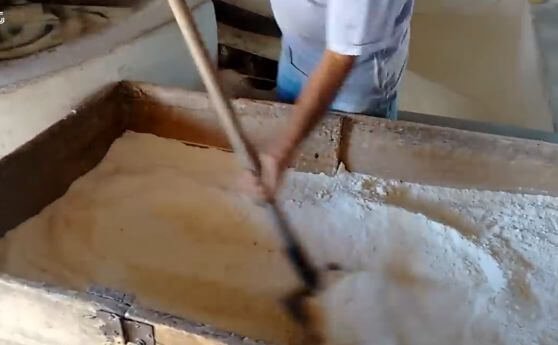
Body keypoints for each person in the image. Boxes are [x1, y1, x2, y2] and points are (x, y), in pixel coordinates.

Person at [244, 0, 415, 199]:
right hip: (297, 52)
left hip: (355, 80)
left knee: (355, 178)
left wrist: (280, 151)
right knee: (292, 138)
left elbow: (340, 59)